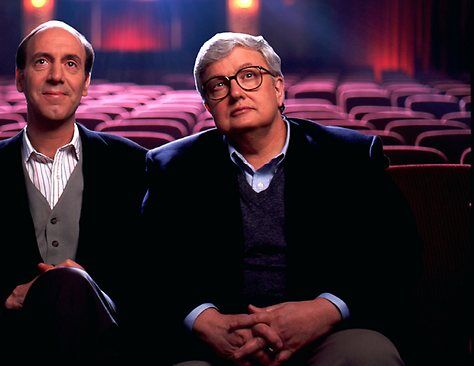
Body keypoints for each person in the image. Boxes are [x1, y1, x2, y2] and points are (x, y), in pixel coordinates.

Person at [138, 32, 420, 365]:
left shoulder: (350, 156)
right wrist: (204, 320)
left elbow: (396, 254)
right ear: (208, 106)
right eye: (218, 85)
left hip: (325, 335)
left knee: (368, 355)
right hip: (219, 342)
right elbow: (148, 266)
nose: (236, 92)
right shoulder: (173, 166)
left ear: (278, 87)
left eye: (249, 76)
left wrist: (326, 309)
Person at [0, 20, 146, 364]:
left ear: (85, 84)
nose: (56, 75)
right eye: (42, 61)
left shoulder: (134, 165)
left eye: (71, 63)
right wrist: (6, 297)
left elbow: (155, 270)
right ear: (20, 78)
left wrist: (84, 291)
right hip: (4, 346)